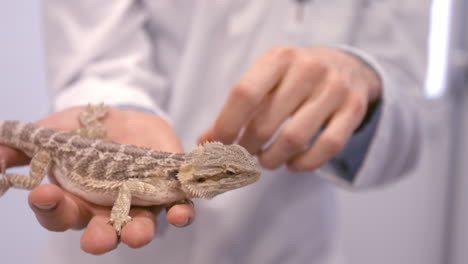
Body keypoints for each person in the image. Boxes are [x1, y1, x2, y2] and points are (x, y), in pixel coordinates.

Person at [0, 0, 431, 263]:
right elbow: (95, 49)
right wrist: (117, 108)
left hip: (284, 242)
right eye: (229, 174)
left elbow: (410, 96)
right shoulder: (163, 183)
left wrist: (365, 85)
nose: (241, 178)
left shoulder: (177, 184)